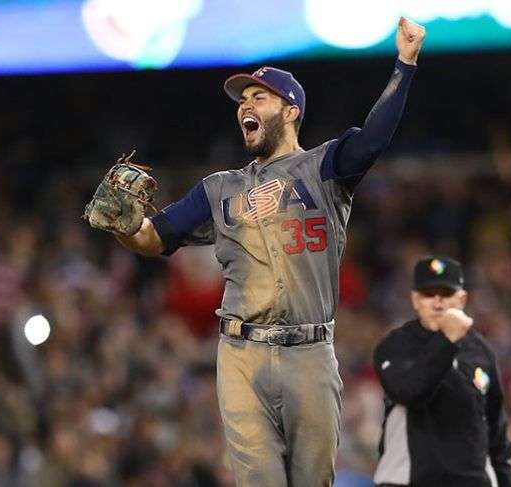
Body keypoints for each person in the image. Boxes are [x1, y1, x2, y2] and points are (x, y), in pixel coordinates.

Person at [107, 16, 426, 487]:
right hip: (241, 354)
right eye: (242, 100)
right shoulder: (219, 189)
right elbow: (153, 238)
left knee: (313, 479)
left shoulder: (324, 167)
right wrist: (123, 226)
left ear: (291, 109)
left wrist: (405, 64)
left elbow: (374, 140)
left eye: (259, 97)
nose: (245, 106)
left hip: (310, 353)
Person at [373, 256, 511, 487]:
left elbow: (497, 435)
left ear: (462, 299)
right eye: (429, 294)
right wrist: (447, 340)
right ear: (415, 299)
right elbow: (410, 392)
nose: (438, 303)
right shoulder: (396, 346)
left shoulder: (481, 351)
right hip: (408, 481)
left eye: (446, 294)